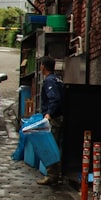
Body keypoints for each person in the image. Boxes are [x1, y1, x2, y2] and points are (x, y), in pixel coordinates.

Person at [36, 56, 64, 185]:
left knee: (51, 145)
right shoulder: (58, 79)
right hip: (60, 116)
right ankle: (57, 174)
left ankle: (52, 175)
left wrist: (49, 113)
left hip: (54, 118)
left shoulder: (50, 81)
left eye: (41, 65)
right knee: (56, 145)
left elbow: (55, 99)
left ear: (44, 67)